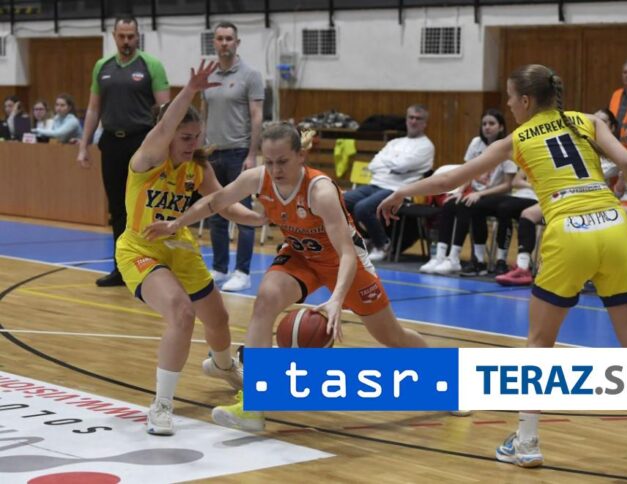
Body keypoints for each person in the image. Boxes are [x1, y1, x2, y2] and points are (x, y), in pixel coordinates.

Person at [378, 64, 627, 471]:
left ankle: (526, 441)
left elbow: (450, 180)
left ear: (525, 100)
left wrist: (402, 192)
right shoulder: (588, 121)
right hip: (613, 225)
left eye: (510, 98)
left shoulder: (517, 138)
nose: (508, 104)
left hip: (569, 229)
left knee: (540, 344)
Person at [145, 122, 428, 432]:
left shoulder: (320, 191)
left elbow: (347, 253)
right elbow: (215, 201)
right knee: (265, 301)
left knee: (393, 337)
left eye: (282, 161)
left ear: (300, 156)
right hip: (300, 255)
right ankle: (254, 407)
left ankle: (449, 382)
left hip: (342, 262)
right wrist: (177, 223)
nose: (275, 170)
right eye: (269, 162)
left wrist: (335, 300)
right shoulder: (258, 178)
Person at [116, 61, 264, 435]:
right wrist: (190, 90)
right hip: (140, 249)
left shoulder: (197, 167)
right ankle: (161, 405)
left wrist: (260, 218)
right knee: (182, 313)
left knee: (219, 319)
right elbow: (165, 125)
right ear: (167, 136)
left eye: (196, 136)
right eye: (185, 137)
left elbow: (224, 204)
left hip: (178, 247)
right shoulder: (147, 160)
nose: (192, 144)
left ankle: (223, 366)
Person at [77, 15, 170, 287]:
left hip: (142, 144)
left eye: (131, 36)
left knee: (145, 207)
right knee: (118, 208)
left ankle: (154, 267)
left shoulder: (151, 65)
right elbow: (93, 108)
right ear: (114, 36)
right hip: (111, 143)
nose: (126, 41)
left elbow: (166, 111)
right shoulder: (102, 67)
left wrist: (165, 146)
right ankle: (122, 268)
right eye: (122, 36)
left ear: (138, 36)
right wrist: (83, 145)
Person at [202, 21, 264, 292]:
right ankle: (219, 267)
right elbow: (204, 115)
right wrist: (200, 151)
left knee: (243, 213)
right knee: (215, 211)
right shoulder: (208, 76)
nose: (224, 43)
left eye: (229, 38)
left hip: (239, 153)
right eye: (220, 38)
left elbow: (256, 117)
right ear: (214, 42)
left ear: (237, 43)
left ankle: (242, 272)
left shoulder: (251, 75)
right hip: (212, 153)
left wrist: (252, 154)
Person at [420, 109, 514, 276]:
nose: (487, 127)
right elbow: (467, 173)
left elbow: (507, 185)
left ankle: (457, 258)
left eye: (491, 123)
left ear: (501, 127)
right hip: (474, 194)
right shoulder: (476, 143)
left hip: (497, 196)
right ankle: (440, 256)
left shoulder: (507, 148)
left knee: (468, 205)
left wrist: (479, 194)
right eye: (484, 124)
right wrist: (460, 191)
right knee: (450, 204)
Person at [343, 105, 434, 262]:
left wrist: (387, 162)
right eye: (411, 117)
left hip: (398, 190)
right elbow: (373, 165)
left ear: (425, 123)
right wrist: (393, 164)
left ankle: (382, 244)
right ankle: (366, 237)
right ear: (406, 120)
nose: (413, 121)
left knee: (363, 208)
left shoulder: (426, 146)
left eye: (418, 119)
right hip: (375, 184)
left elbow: (402, 166)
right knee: (340, 201)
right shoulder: (395, 142)